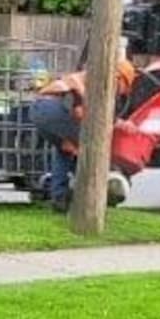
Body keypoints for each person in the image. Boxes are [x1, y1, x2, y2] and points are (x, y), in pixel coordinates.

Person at [31, 49, 137, 212]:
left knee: (65, 149)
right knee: (90, 146)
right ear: (120, 78)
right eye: (125, 87)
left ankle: (60, 198)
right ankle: (97, 191)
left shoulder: (91, 77)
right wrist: (120, 124)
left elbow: (82, 109)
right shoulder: (104, 82)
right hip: (53, 108)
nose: (122, 92)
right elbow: (93, 112)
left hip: (39, 110)